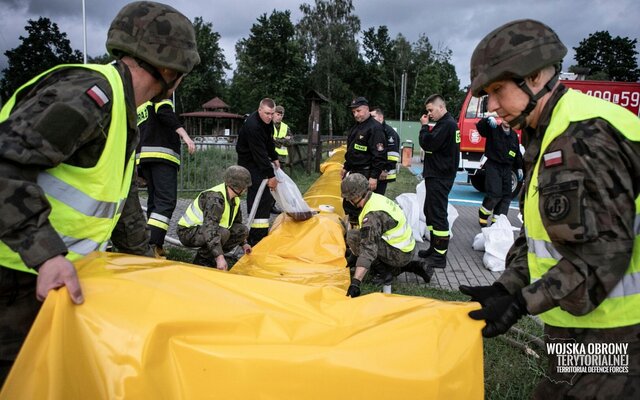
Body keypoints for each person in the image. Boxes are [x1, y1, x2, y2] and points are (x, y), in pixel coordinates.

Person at [0, 1, 200, 385]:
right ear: (171, 70)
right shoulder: (91, 97)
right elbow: (5, 167)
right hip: (16, 278)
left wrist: (145, 266)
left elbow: (120, 206)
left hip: (48, 281)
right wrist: (47, 256)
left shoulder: (123, 111)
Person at [459, 19, 640, 399]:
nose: (490, 106)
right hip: (581, 323)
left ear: (538, 76)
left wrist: (521, 303)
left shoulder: (582, 137)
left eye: (497, 90)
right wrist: (506, 286)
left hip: (617, 332)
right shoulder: (547, 132)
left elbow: (601, 255)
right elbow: (547, 234)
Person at [342, 174, 434, 298]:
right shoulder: (375, 198)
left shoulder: (372, 216)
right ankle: (414, 266)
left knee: (354, 237)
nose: (348, 200)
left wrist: (355, 282)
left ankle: (384, 274)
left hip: (400, 253)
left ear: (356, 195)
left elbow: (368, 249)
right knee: (360, 237)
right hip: (405, 248)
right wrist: (354, 256)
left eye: (349, 198)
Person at [136, 98, 196, 258]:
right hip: (162, 155)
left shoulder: (140, 105)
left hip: (145, 157)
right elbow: (165, 113)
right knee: (165, 202)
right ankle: (152, 245)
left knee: (154, 203)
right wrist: (185, 136)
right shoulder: (160, 96)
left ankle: (157, 244)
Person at [177, 166, 253, 270]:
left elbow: (237, 223)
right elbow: (210, 229)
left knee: (242, 231)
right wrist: (220, 257)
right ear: (239, 187)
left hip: (207, 230)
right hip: (187, 232)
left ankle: (212, 258)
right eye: (245, 187)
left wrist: (244, 243)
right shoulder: (215, 199)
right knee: (223, 233)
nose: (246, 189)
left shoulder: (235, 199)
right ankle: (201, 263)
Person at [417, 94, 460, 269]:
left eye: (431, 110)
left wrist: (424, 127)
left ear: (441, 107)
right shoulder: (445, 124)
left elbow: (428, 143)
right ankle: (434, 248)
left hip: (440, 176)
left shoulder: (447, 125)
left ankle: (440, 256)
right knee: (430, 211)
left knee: (438, 214)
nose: (429, 114)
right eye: (427, 111)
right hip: (437, 174)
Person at [236, 98, 280, 246]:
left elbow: (268, 142)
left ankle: (260, 234)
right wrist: (271, 176)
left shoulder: (267, 123)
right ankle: (254, 238)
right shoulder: (253, 125)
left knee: (265, 198)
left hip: (258, 161)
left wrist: (274, 157)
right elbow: (259, 153)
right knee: (258, 196)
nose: (270, 117)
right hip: (248, 163)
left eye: (272, 114)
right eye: (267, 113)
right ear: (259, 110)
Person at [342, 97, 387, 225]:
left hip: (366, 173)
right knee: (350, 203)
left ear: (367, 109)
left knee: (361, 206)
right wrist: (346, 167)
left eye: (358, 111)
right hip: (354, 171)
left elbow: (380, 155)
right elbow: (352, 150)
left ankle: (361, 236)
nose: (356, 114)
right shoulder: (356, 127)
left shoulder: (375, 128)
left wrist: (374, 177)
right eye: (354, 112)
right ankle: (352, 233)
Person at [476, 115, 523, 227]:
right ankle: (483, 214)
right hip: (493, 165)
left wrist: (520, 167)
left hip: (507, 168)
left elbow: (516, 153)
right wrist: (487, 120)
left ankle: (497, 222)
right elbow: (480, 128)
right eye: (505, 118)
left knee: (506, 196)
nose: (507, 121)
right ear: (501, 119)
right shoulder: (493, 130)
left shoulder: (513, 136)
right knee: (494, 193)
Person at [370, 108, 401, 196]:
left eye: (373, 116)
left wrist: (385, 170)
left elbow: (393, 155)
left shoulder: (389, 132)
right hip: (375, 170)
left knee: (377, 197)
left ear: (380, 117)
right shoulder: (374, 130)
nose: (370, 119)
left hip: (383, 173)